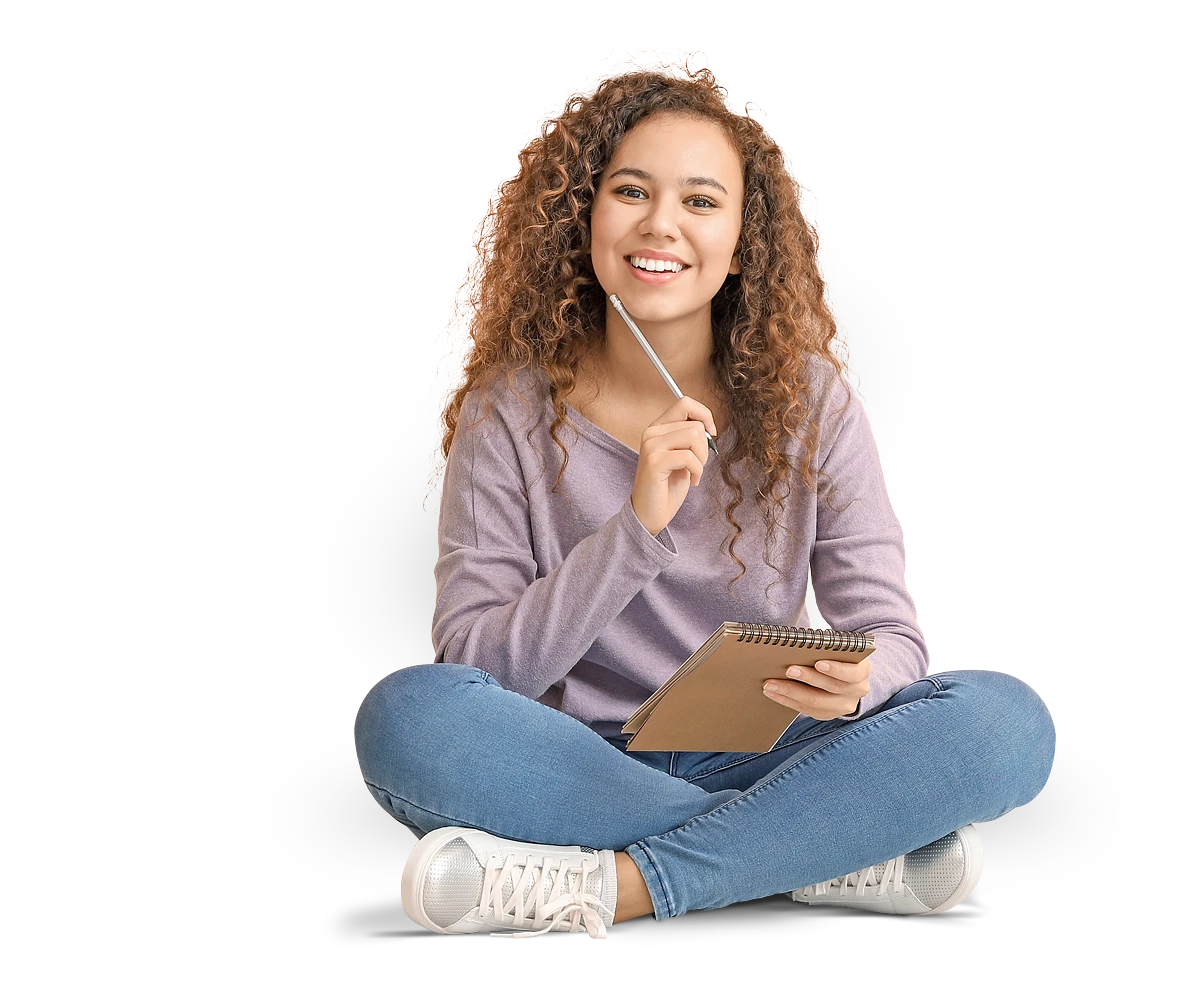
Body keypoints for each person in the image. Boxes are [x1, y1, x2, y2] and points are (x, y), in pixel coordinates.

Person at [356, 46, 1055, 941]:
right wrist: (635, 527)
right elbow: (479, 667)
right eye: (630, 191)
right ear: (583, 215)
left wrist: (857, 685)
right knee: (408, 716)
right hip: (578, 760)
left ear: (740, 244)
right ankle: (820, 850)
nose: (661, 226)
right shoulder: (506, 407)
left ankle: (619, 885)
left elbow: (893, 641)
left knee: (1006, 723)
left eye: (699, 201)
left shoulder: (811, 401)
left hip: (775, 755)